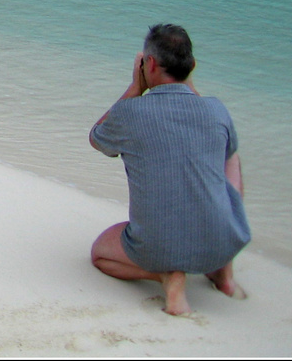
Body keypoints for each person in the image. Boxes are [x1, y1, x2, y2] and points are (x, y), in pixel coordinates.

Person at [88, 24, 251, 315]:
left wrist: (135, 87)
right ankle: (224, 275)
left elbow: (97, 138)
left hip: (155, 250)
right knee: (230, 156)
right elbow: (218, 149)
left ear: (148, 63)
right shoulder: (216, 110)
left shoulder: (130, 113)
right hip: (226, 242)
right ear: (192, 66)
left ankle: (166, 276)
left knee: (101, 254)